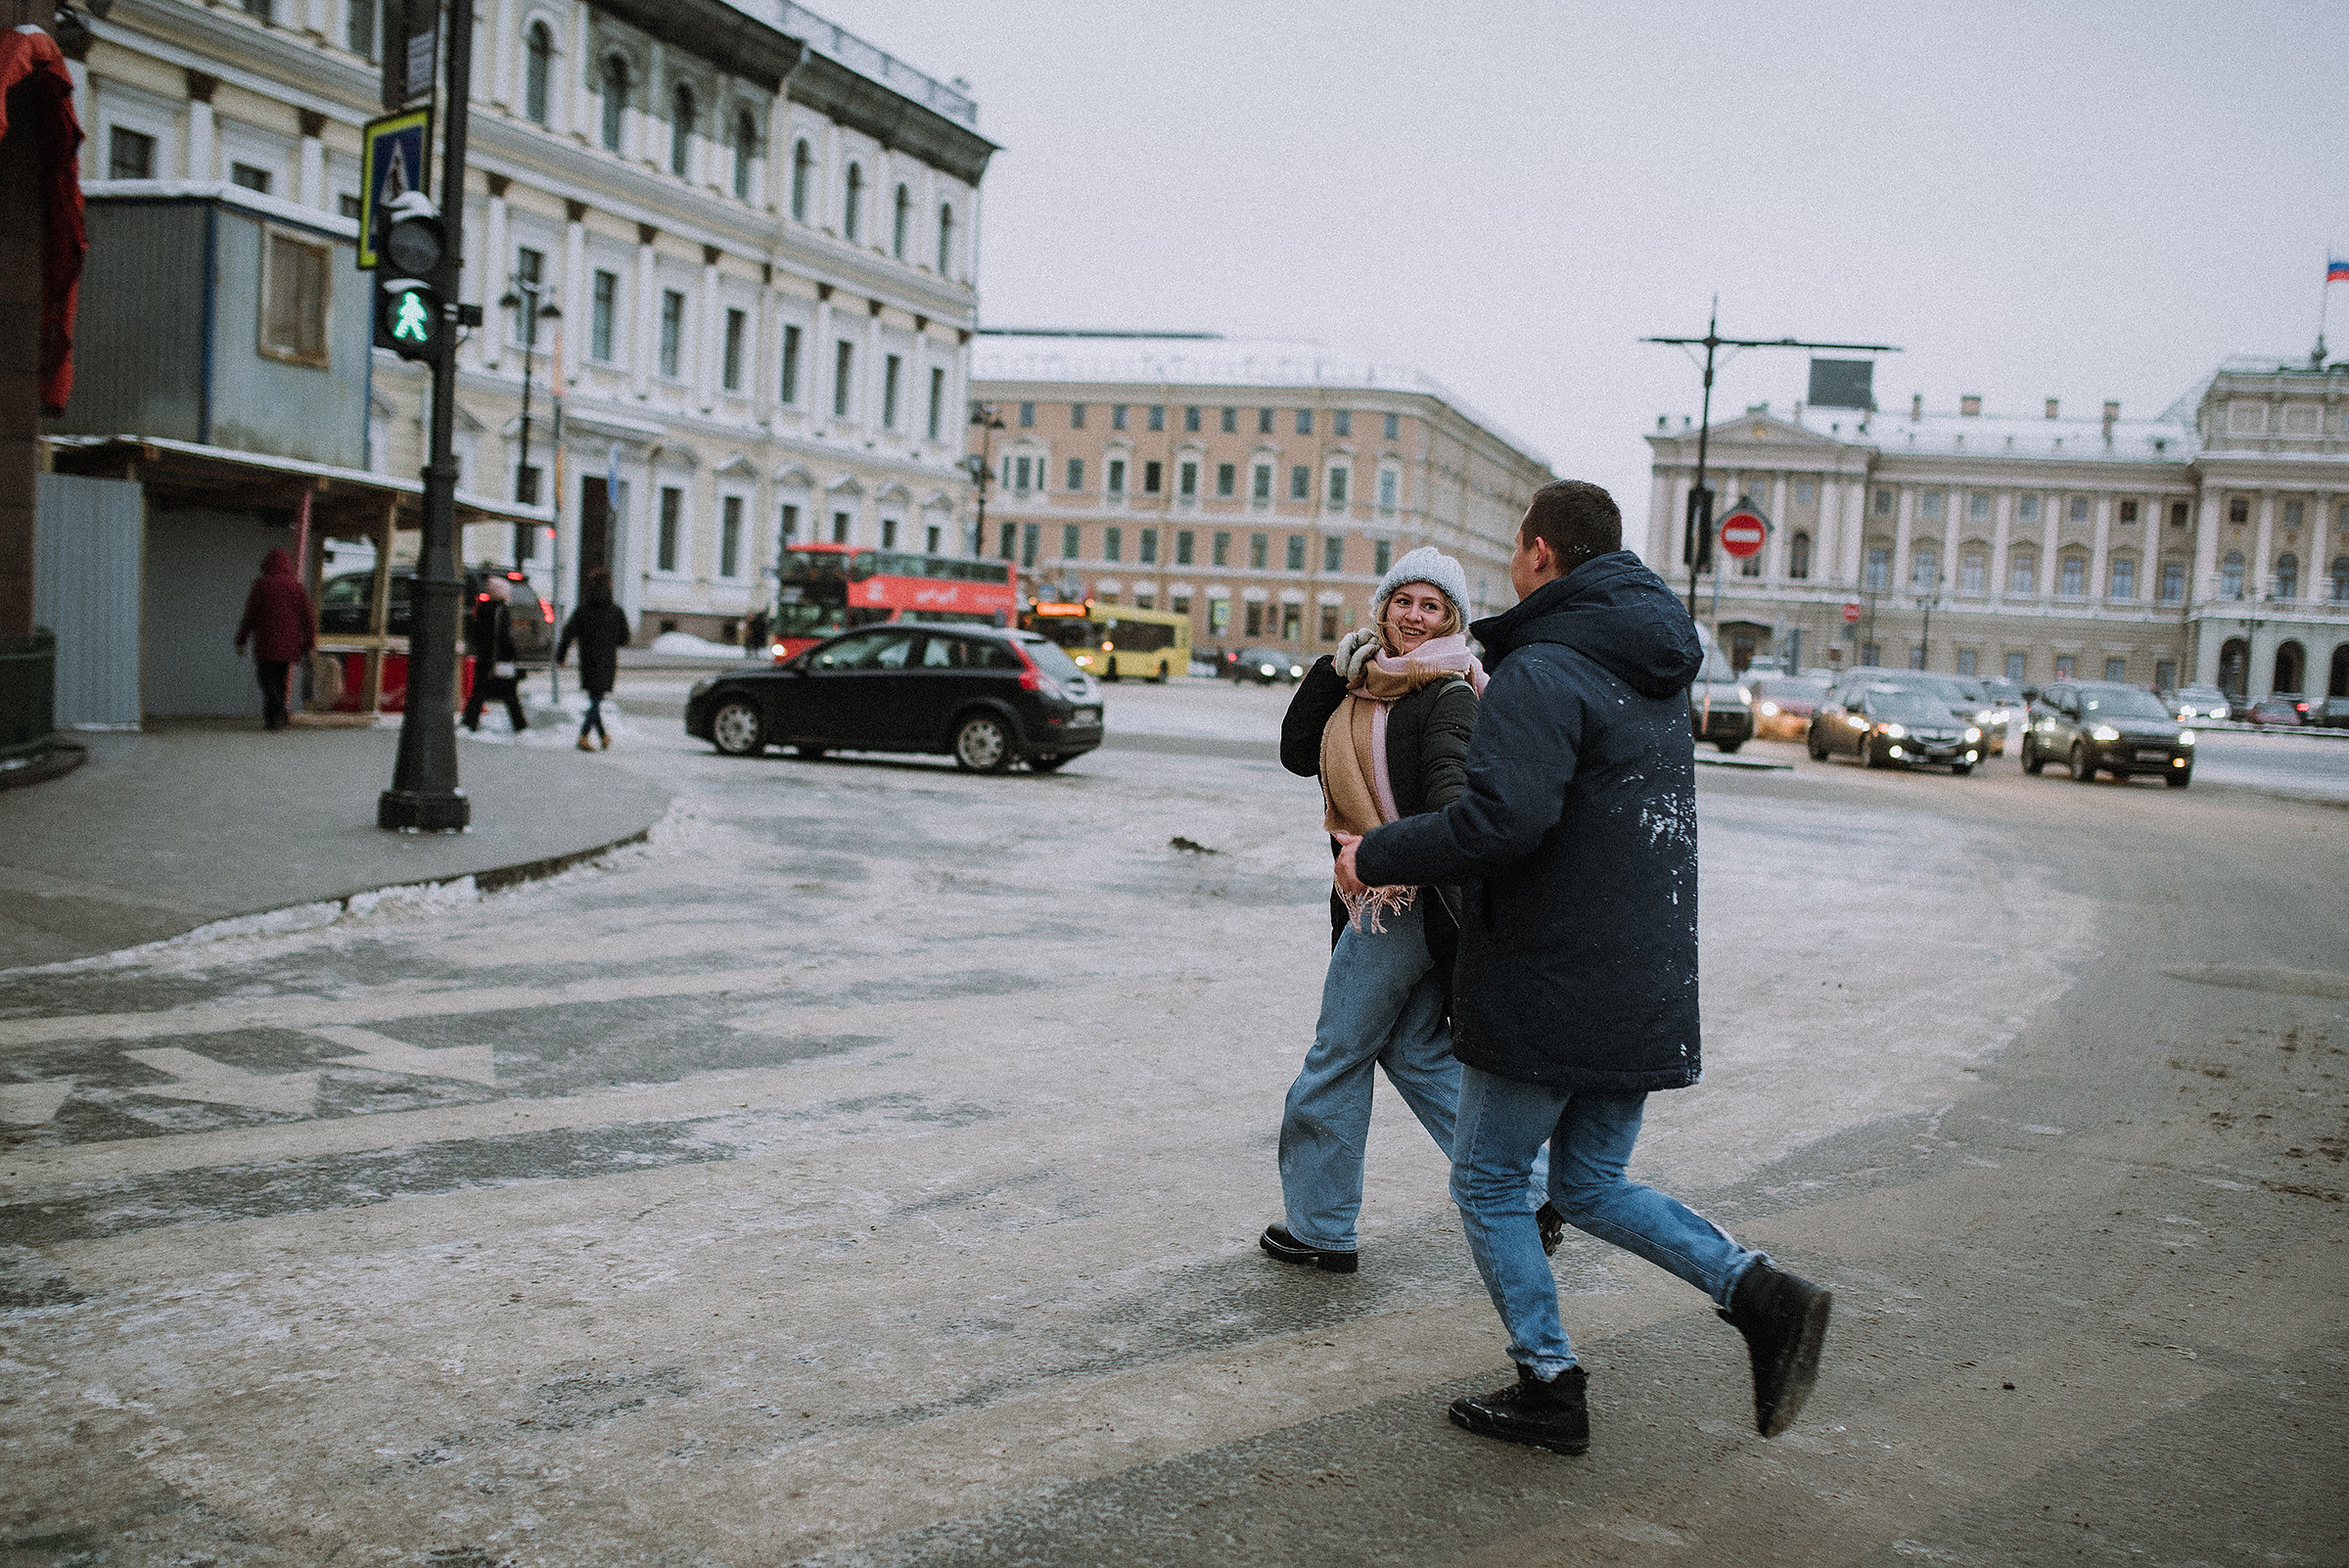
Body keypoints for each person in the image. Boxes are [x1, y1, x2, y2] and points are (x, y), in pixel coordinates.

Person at [1339, 481, 1832, 1456]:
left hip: (1553, 971)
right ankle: (1759, 1292)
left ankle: (1551, 1383)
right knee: (1595, 1180)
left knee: (1486, 1179)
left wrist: (1377, 854)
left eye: (1519, 549)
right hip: (1642, 967)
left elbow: (1502, 823)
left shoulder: (1545, 669)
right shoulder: (1650, 666)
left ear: (1539, 555)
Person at [1264, 547, 1557, 1273]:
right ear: (1384, 608)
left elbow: (1451, 803)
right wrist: (1333, 669)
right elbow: (1299, 754)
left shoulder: (1449, 693)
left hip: (1400, 900)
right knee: (1415, 1052)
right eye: (1404, 602)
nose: (1415, 618)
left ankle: (1321, 1229)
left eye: (1432, 606)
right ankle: (1538, 1190)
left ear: (1451, 618)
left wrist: (1385, 858)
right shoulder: (1361, 683)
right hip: (1385, 896)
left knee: (1335, 1058)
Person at [234, 546, 314, 730]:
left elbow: (250, 615)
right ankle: (274, 719)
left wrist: (241, 640)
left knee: (266, 679)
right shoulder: (297, 587)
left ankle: (277, 714)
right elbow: (308, 618)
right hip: (290, 645)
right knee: (279, 680)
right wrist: (309, 642)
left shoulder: (261, 585)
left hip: (266, 643)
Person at [557, 568, 630, 751]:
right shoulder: (615, 611)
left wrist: (561, 656)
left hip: (588, 660)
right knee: (597, 698)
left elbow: (567, 634)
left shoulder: (582, 611)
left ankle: (603, 736)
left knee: (594, 698)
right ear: (609, 587)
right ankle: (583, 735)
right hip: (606, 660)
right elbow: (624, 638)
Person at [462, 574, 528, 734]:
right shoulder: (500, 610)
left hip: (485, 657)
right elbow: (503, 636)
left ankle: (470, 721)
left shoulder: (483, 609)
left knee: (480, 691)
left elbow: (476, 633)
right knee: (509, 693)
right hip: (499, 659)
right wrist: (512, 654)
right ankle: (520, 725)